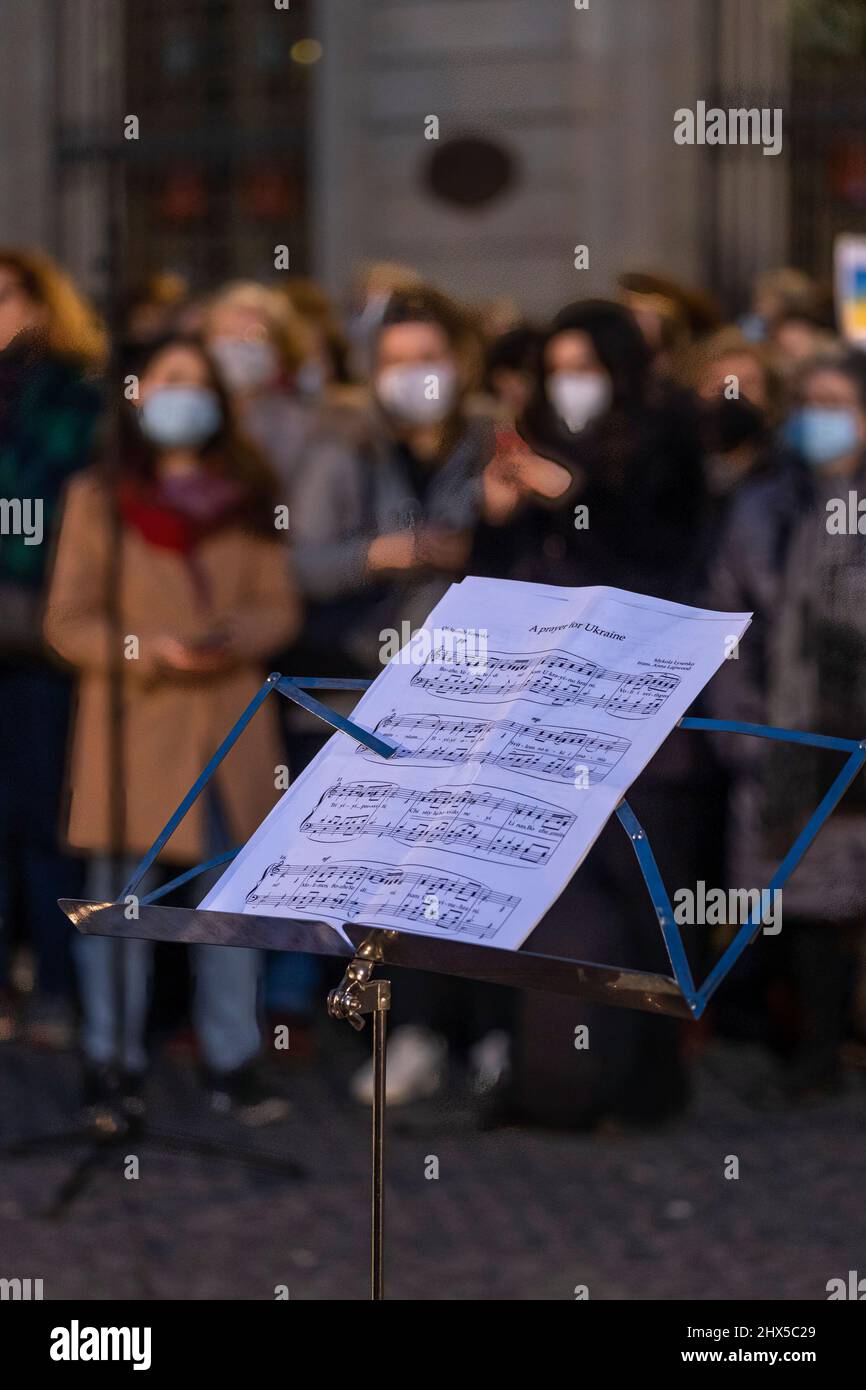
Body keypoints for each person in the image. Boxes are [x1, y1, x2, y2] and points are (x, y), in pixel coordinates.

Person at [43, 333, 301, 1125]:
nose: (181, 396)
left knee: (231, 910)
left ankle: (234, 1059)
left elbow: (279, 607)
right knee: (118, 907)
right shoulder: (97, 496)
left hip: (226, 729)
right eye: (167, 380)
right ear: (136, 394)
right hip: (134, 732)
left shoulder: (247, 493)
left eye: (196, 381)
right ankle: (111, 1062)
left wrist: (227, 641)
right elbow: (68, 622)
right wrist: (145, 651)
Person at [290, 286, 497, 1103]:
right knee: (389, 879)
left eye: (432, 357)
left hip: (472, 682)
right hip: (366, 684)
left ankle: (484, 1029)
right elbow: (299, 564)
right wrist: (385, 553)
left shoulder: (488, 438)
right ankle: (402, 1029)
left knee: (469, 867)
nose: (419, 375)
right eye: (401, 360)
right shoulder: (340, 442)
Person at [706, 349, 866, 1094]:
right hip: (784, 735)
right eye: (811, 402)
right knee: (798, 906)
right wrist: (744, 730)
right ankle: (810, 1052)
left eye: (838, 402)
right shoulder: (763, 504)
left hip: (852, 723)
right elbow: (726, 623)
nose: (821, 419)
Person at [0, 248, 106, 1047]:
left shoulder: (77, 392)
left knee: (44, 822)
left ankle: (56, 990)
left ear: (41, 302)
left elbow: (66, 504)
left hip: (42, 634)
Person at [202, 280, 314, 506]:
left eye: (254, 335)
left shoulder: (305, 426)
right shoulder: (196, 416)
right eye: (227, 334)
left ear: (281, 350)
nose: (238, 344)